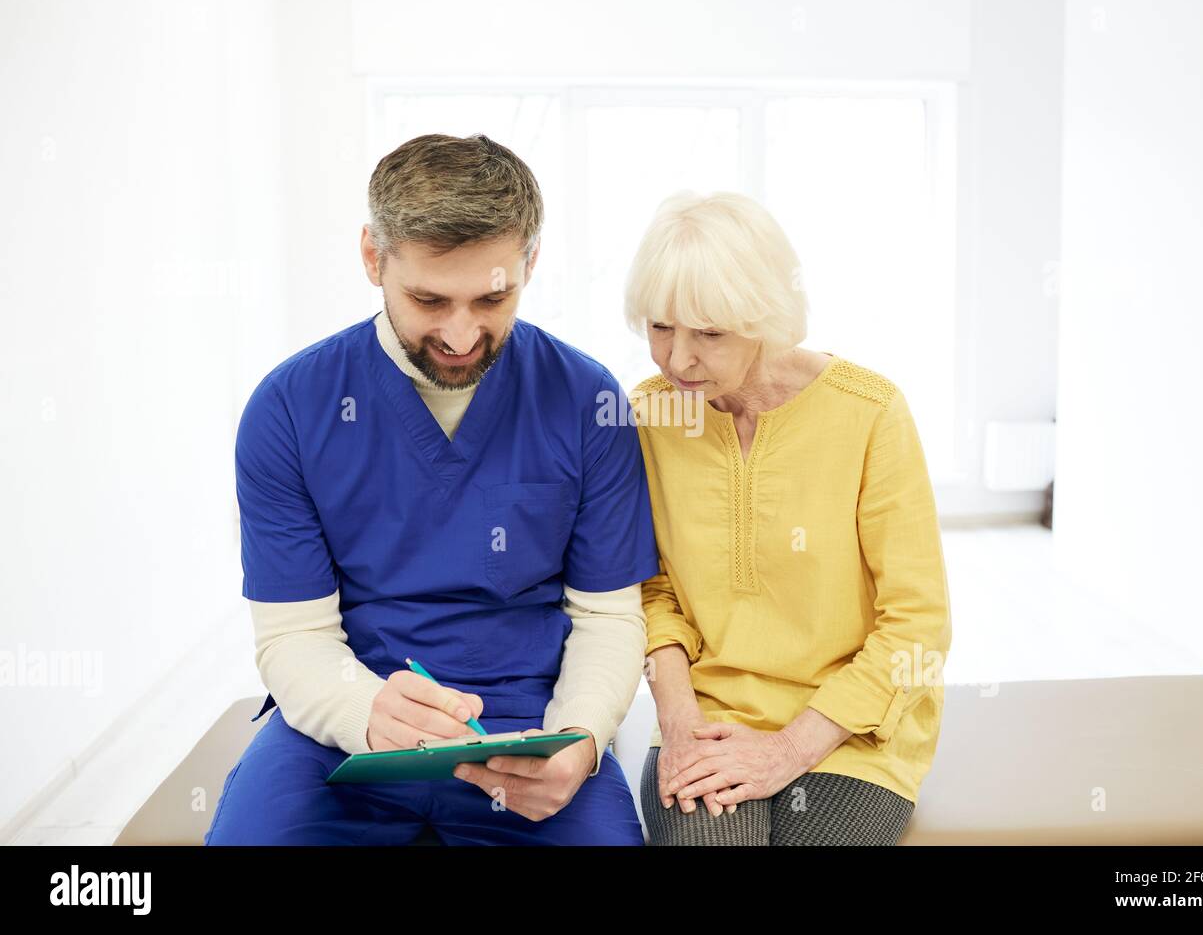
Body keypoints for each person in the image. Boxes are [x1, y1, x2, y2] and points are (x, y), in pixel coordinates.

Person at [205, 133, 660, 845]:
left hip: (530, 726)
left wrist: (581, 737)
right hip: (345, 716)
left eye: (491, 297)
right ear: (371, 258)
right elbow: (294, 634)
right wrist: (363, 715)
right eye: (428, 298)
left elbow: (607, 617)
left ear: (531, 264)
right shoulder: (291, 407)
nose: (460, 334)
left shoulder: (586, 401)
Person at [625, 191, 952, 845]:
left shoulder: (870, 412)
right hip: (706, 719)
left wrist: (787, 751)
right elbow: (650, 590)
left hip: (850, 728)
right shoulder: (650, 414)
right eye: (661, 327)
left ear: (765, 318)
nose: (677, 359)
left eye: (709, 333)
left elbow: (918, 622)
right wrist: (681, 721)